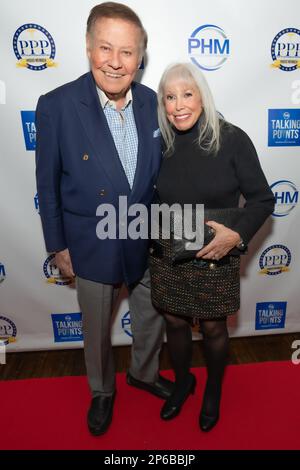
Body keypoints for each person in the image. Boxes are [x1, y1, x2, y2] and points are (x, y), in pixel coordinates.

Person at [35, 2, 173, 436]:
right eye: (105, 48)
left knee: (152, 315)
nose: (115, 62)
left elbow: (167, 172)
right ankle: (102, 391)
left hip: (146, 237)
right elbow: (47, 183)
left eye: (127, 52)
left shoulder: (154, 102)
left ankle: (144, 373)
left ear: (140, 58)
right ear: (88, 48)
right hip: (90, 241)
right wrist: (57, 245)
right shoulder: (57, 105)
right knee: (95, 328)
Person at [149, 63, 275, 432]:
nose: (178, 104)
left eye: (186, 94)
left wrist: (236, 236)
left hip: (215, 253)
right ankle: (184, 381)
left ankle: (213, 390)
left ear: (202, 96)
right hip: (169, 251)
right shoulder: (160, 144)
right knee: (173, 319)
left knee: (214, 327)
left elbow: (262, 201)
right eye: (169, 97)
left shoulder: (232, 139)